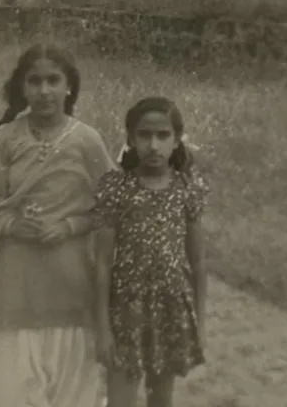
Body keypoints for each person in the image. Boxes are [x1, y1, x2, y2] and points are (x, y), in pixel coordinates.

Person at [0, 42, 115, 407]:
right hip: (14, 285)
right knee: (14, 390)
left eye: (54, 80)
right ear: (22, 88)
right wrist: (12, 224)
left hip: (71, 284)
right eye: (34, 81)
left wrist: (68, 226)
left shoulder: (87, 140)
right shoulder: (6, 138)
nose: (44, 90)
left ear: (70, 87)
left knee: (72, 391)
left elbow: (113, 209)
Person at [93, 96, 208, 407]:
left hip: (171, 307)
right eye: (145, 135)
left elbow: (197, 262)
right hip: (126, 309)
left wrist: (200, 322)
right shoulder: (116, 188)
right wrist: (103, 329)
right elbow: (102, 263)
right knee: (122, 398)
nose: (154, 145)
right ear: (131, 139)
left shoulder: (187, 189)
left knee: (161, 398)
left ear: (176, 140)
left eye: (163, 135)